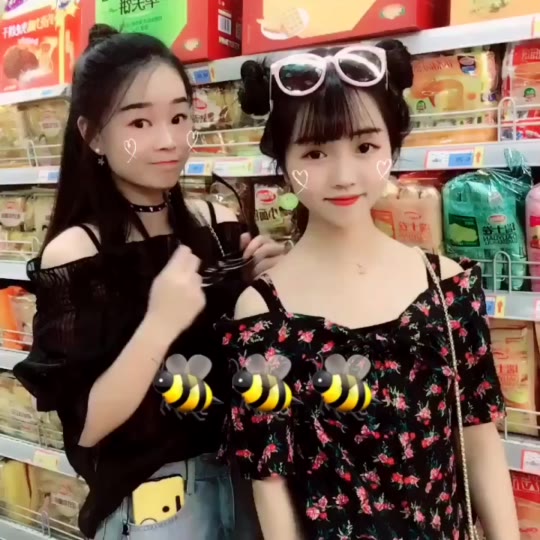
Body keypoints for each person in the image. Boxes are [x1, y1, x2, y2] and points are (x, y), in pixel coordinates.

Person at [218, 40, 520, 540]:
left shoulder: (447, 288)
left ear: (392, 147)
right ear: (282, 160)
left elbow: (480, 442)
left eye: (364, 147)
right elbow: (270, 482)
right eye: (315, 152)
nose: (344, 176)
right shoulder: (262, 314)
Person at [13, 24, 284, 540]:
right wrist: (159, 323)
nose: (169, 140)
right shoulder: (78, 252)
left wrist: (265, 285)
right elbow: (88, 425)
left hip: (253, 483)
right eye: (140, 121)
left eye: (180, 117)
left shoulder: (219, 223)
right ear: (93, 135)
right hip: (161, 506)